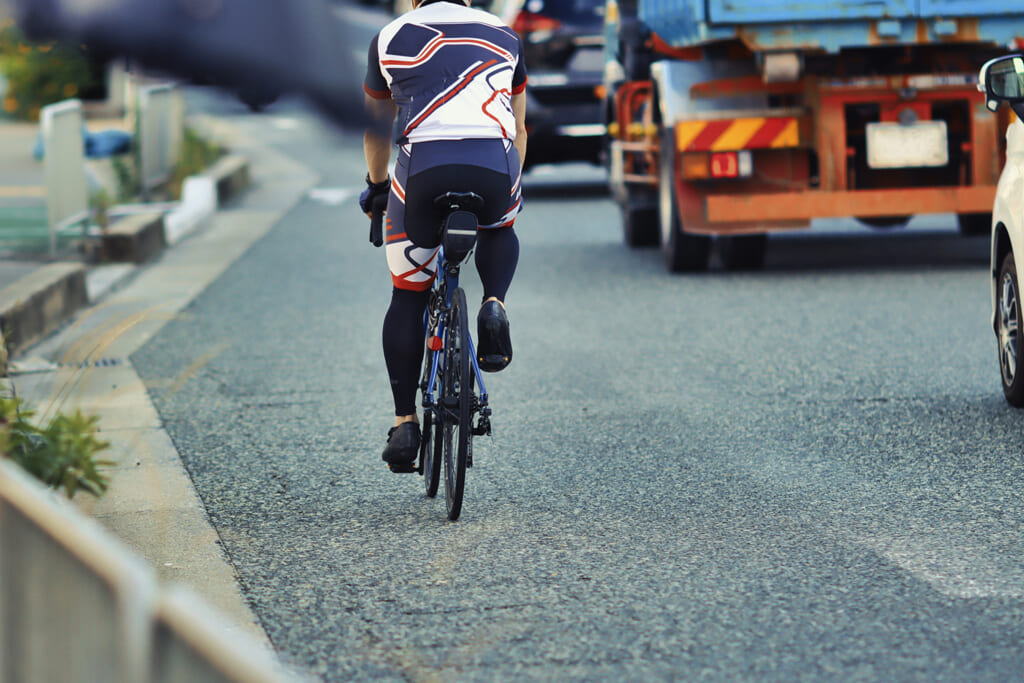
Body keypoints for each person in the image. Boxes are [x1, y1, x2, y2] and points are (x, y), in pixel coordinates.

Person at [360, 0, 528, 472]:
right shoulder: (505, 33)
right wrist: (510, 180)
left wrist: (376, 189)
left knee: (408, 295)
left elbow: (377, 131)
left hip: (423, 173)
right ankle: (493, 303)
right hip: (493, 164)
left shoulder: (389, 37)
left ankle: (404, 422)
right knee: (501, 225)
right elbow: (518, 127)